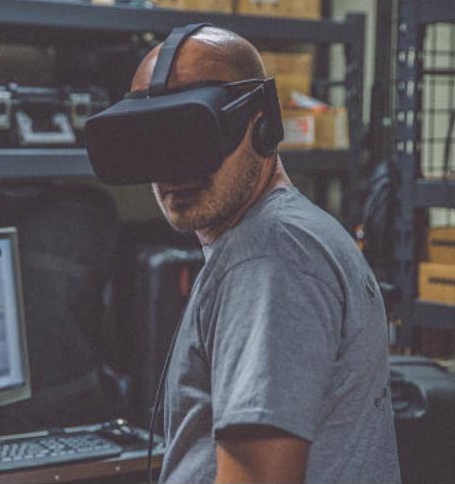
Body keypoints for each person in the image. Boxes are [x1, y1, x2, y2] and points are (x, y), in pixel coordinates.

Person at [135, 27, 401, 483]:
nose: (174, 168)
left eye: (197, 136)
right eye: (157, 140)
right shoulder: (288, 233)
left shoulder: (269, 255)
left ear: (263, 125)